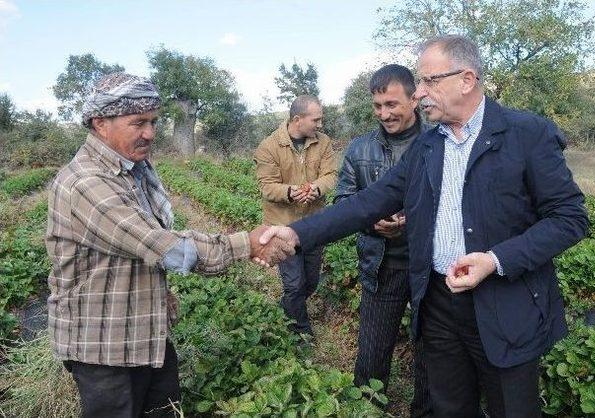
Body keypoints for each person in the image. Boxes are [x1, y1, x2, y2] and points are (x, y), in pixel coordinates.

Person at [258, 35, 588, 418]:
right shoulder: (429, 146)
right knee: (448, 407)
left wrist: (496, 259)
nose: (420, 94)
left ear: (466, 79)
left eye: (430, 81)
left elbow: (569, 218)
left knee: (511, 408)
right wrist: (297, 234)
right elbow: (369, 201)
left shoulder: (526, 134)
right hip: (438, 304)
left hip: (504, 303)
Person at [46, 72, 292, 418]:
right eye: (138, 123)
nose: (149, 133)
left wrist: (159, 294)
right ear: (101, 123)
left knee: (164, 408)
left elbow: (140, 252)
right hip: (103, 345)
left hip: (143, 329)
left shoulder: (132, 171)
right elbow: (163, 246)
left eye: (153, 122)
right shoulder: (87, 182)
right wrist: (246, 244)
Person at [334, 64, 429, 400]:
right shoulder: (359, 149)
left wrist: (413, 220)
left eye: (392, 104)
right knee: (372, 355)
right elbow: (344, 201)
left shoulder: (439, 142)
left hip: (429, 268)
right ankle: (368, 406)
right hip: (381, 265)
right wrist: (372, 222)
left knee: (432, 355)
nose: (384, 114)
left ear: (414, 99)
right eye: (378, 106)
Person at [254, 95, 337, 336]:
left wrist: (316, 188)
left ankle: (286, 309)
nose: (320, 125)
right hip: (282, 226)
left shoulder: (323, 142)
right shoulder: (268, 147)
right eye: (316, 120)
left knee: (310, 282)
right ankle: (301, 333)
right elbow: (266, 186)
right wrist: (291, 192)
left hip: (313, 224)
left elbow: (331, 174)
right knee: (294, 284)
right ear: (297, 120)